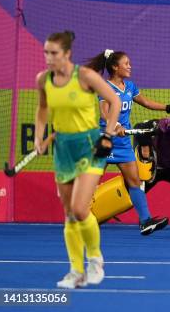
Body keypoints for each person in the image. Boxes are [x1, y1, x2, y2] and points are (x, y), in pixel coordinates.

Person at [34, 30, 121, 289]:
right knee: (70, 214)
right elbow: (42, 109)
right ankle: (75, 271)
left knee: (81, 209)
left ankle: (95, 260)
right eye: (46, 53)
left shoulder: (85, 76)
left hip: (89, 147)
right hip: (63, 151)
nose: (49, 58)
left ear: (67, 54)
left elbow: (114, 101)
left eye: (54, 53)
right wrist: (39, 138)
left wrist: (107, 135)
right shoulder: (43, 79)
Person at [86, 49, 170, 235]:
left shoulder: (129, 87)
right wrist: (114, 127)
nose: (130, 66)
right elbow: (105, 114)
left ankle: (145, 221)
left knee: (135, 182)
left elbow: (145, 102)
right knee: (92, 183)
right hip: (105, 140)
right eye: (126, 63)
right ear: (115, 67)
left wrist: (167, 107)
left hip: (122, 144)